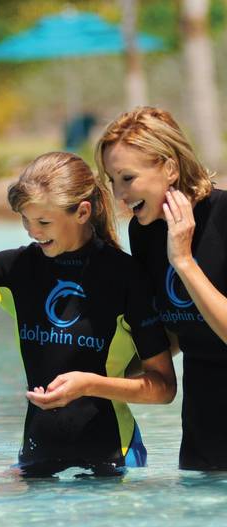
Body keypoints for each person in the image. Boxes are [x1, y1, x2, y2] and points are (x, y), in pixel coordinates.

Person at [0, 152, 176, 477]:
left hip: (115, 458)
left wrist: (89, 385)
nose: (32, 231)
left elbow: (163, 388)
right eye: (25, 220)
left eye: (43, 222)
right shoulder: (13, 269)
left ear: (82, 212)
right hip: (36, 456)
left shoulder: (126, 277)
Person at [96, 106, 227, 471]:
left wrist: (184, 261)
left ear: (169, 168)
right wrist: (100, 378)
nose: (119, 194)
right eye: (111, 180)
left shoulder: (224, 217)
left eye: (127, 178)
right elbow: (172, 332)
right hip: (203, 425)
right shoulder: (146, 232)